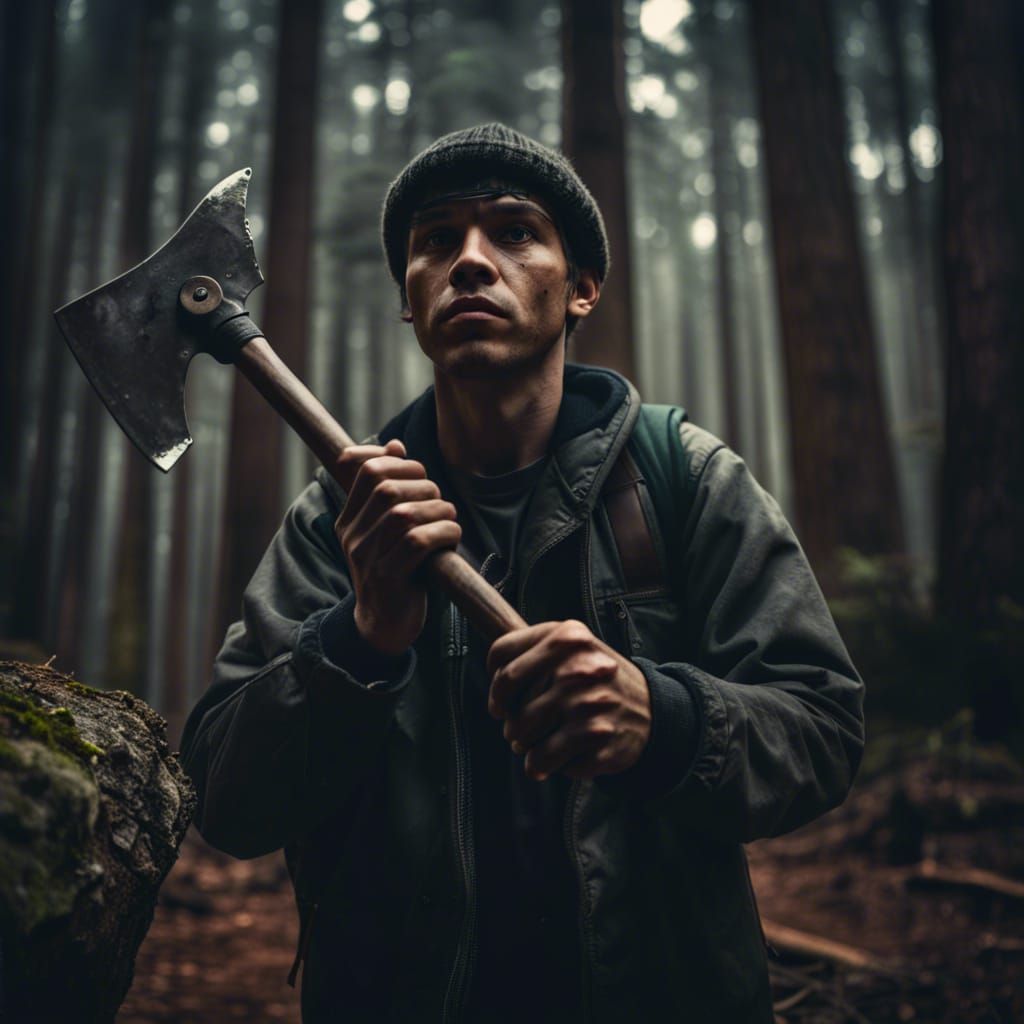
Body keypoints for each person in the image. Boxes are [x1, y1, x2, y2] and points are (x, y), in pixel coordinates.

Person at [180, 123, 864, 1023]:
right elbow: (223, 798)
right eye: (436, 241)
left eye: (513, 231)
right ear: (409, 300)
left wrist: (665, 720)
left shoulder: (684, 480)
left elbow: (822, 725)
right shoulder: (338, 522)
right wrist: (361, 638)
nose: (469, 261)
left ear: (581, 288)